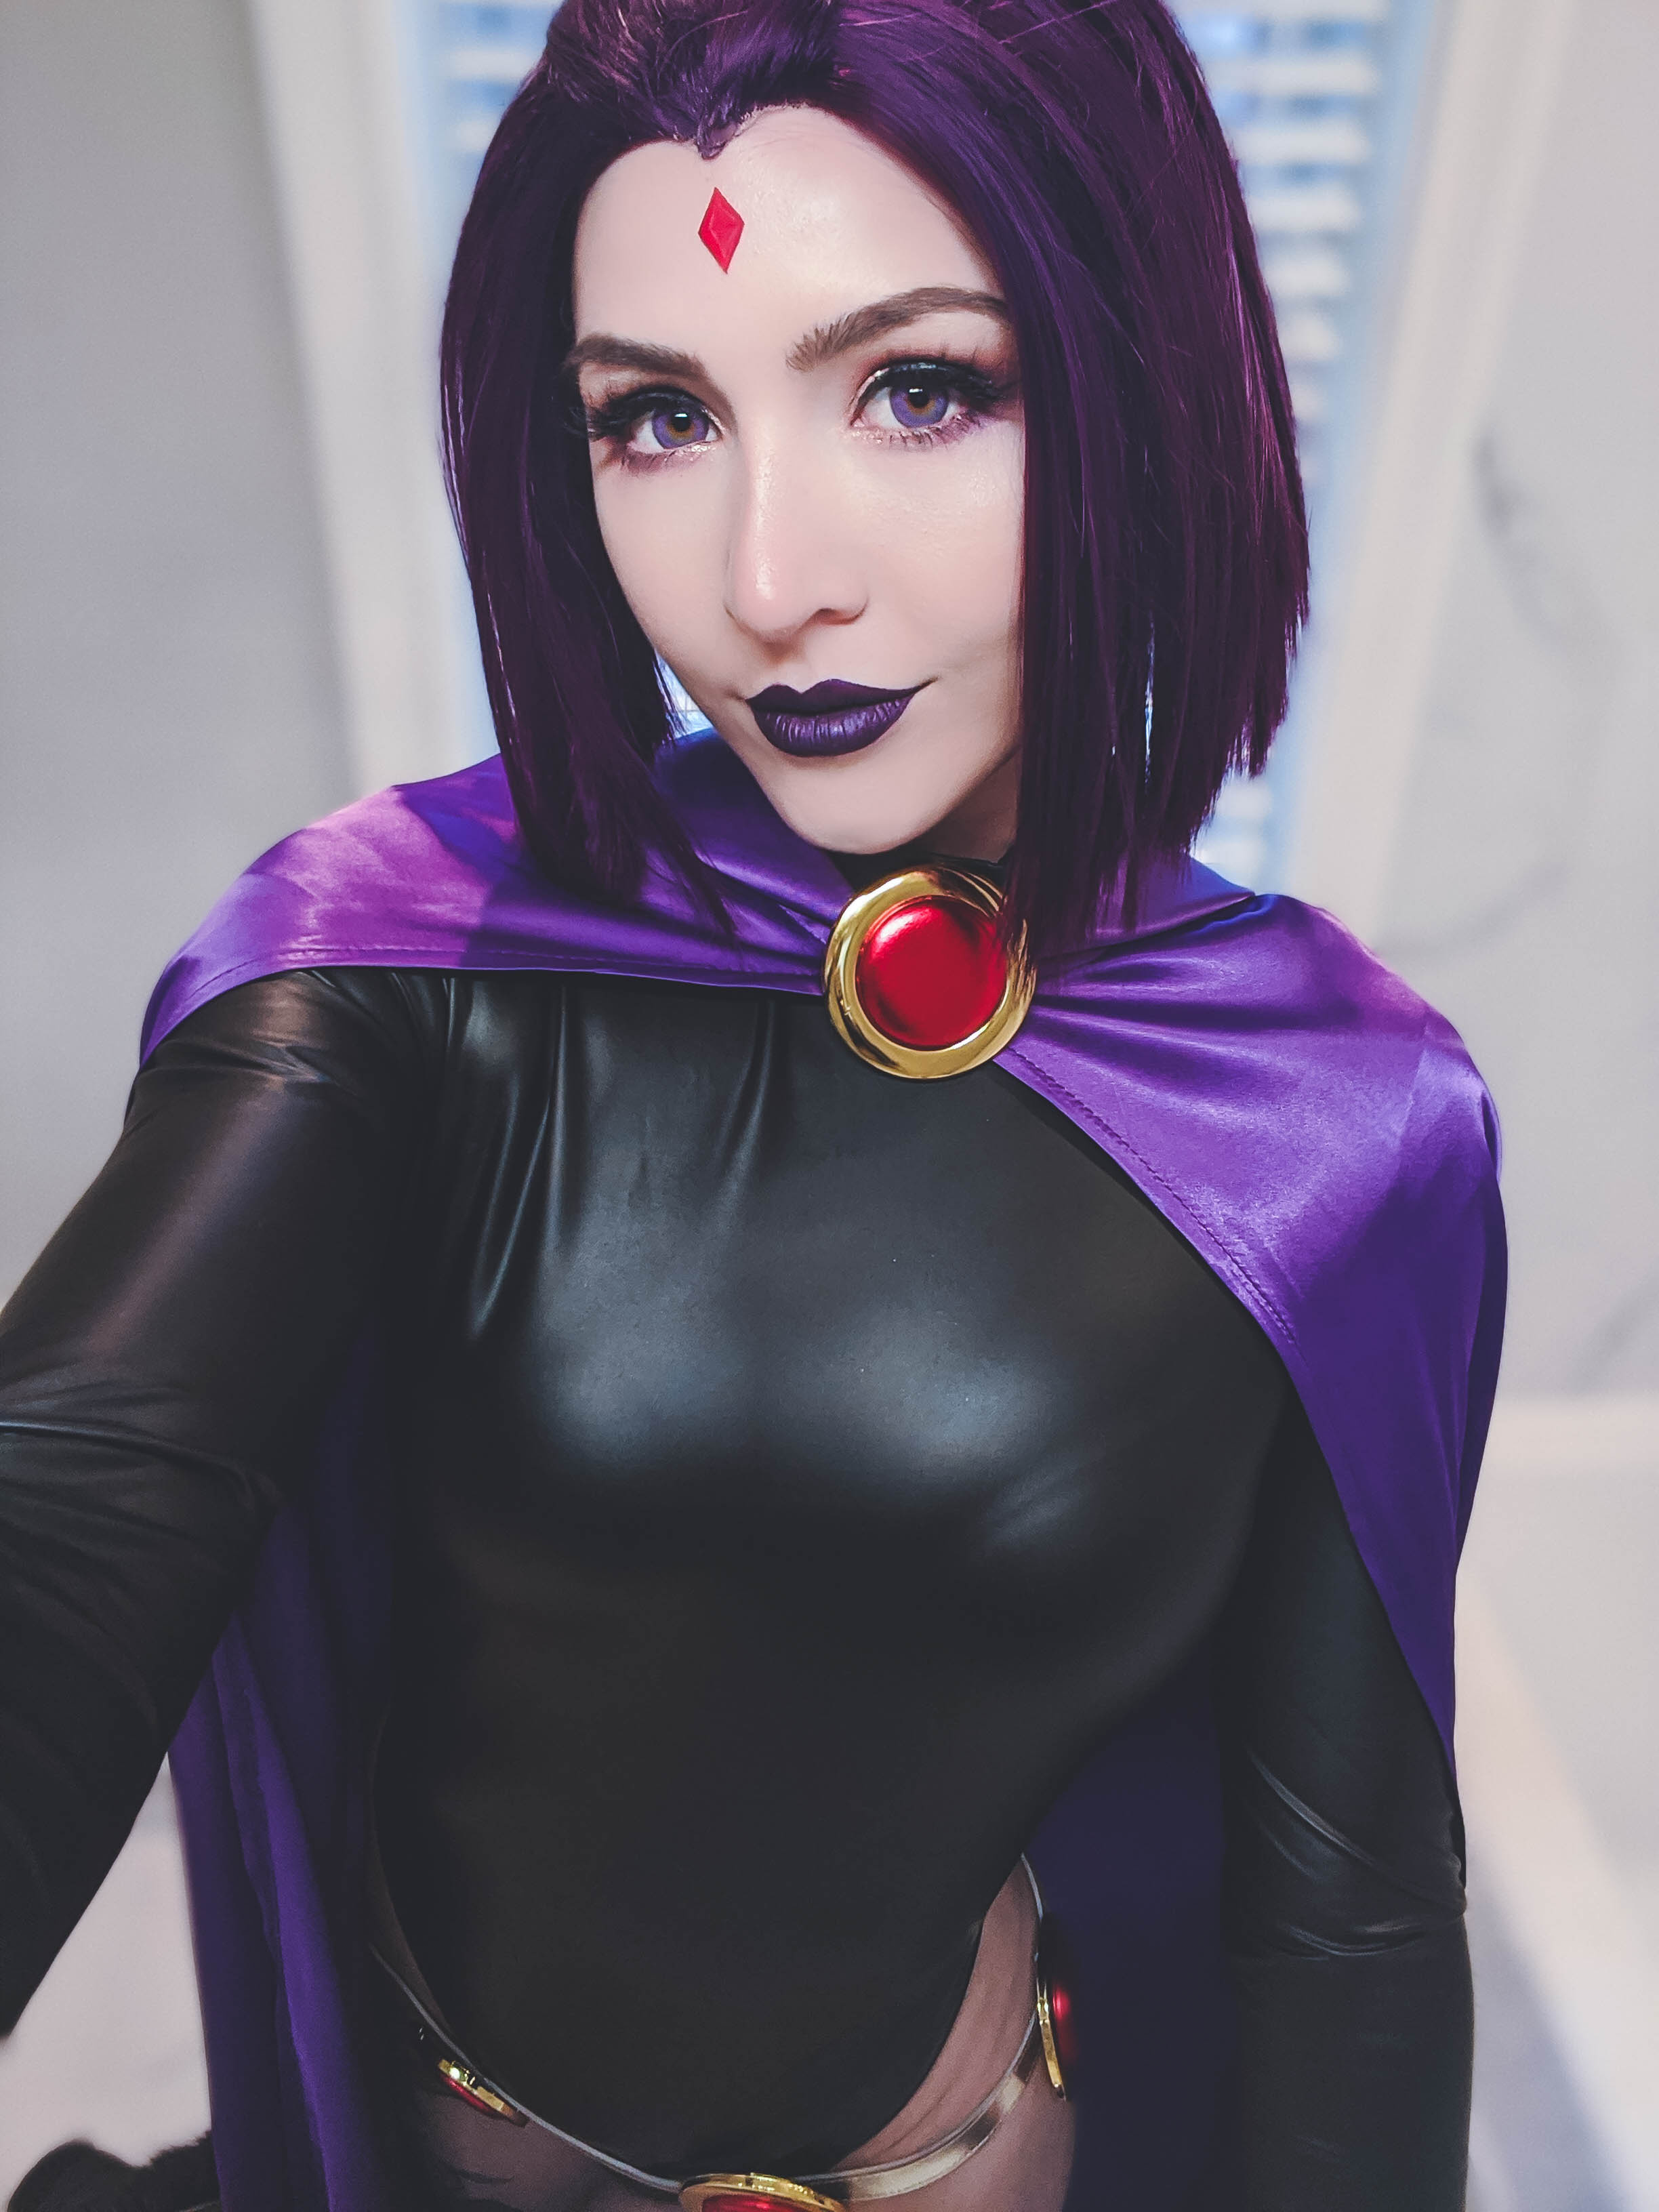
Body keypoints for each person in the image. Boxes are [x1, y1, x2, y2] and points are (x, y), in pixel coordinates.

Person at [0, 1, 1504, 2208]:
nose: (769, 579)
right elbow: (68, 1512)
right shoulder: (402, 970)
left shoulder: (1338, 1127)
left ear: (1143, 378)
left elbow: (1347, 1918)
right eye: (657, 418)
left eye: (922, 389)